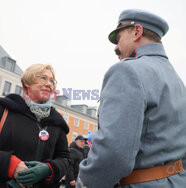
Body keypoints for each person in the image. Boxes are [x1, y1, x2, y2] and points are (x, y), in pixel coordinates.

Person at [77, 9, 186, 188]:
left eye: (118, 38)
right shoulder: (177, 81)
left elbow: (113, 154)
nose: (116, 47)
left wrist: (85, 183)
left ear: (137, 32)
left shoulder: (127, 70)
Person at [0, 64, 70, 188]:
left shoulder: (57, 122)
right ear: (27, 83)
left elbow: (65, 159)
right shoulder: (2, 109)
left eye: (52, 80)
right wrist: (11, 165)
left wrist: (49, 169)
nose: (49, 84)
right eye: (43, 78)